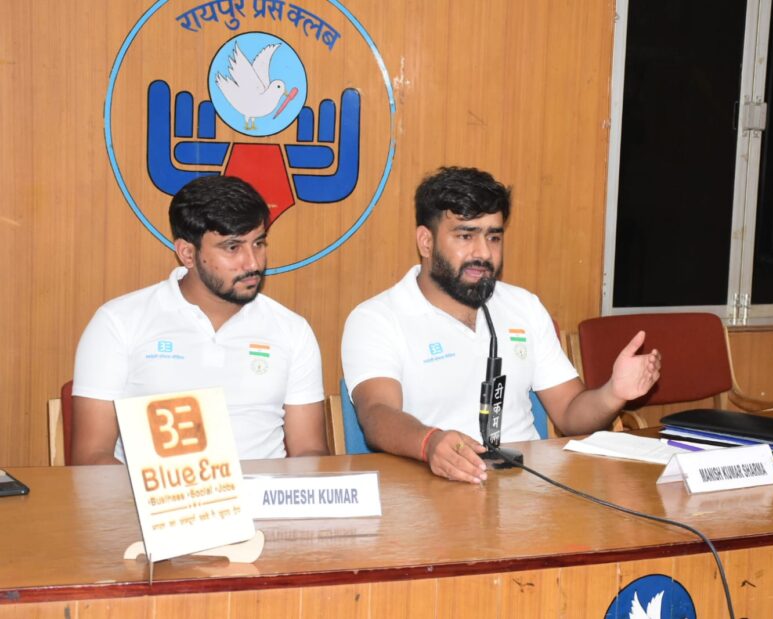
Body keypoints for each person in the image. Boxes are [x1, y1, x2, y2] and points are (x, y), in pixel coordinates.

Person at [341, 166, 660, 484]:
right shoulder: (377, 318)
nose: (483, 253)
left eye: (493, 237)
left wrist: (612, 393)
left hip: (529, 491)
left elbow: (570, 413)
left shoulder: (524, 307)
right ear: (426, 242)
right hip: (430, 489)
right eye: (465, 236)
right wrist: (429, 443)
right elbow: (377, 413)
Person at [71, 175, 327, 464]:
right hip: (150, 491)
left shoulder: (292, 330)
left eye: (258, 243)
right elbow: (91, 457)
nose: (253, 263)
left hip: (265, 491)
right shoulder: (119, 322)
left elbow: (309, 451)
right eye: (233, 247)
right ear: (187, 253)